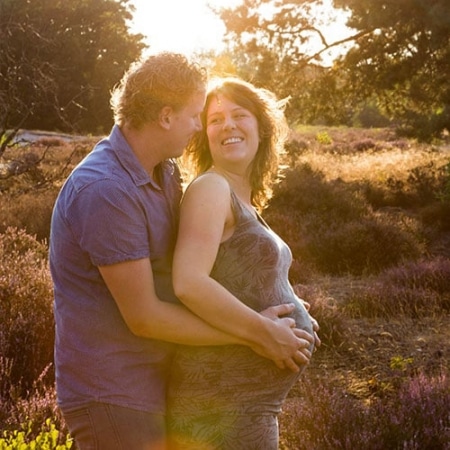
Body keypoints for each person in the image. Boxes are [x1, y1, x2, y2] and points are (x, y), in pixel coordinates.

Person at [49, 53, 314, 450]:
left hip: (159, 380)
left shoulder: (164, 172)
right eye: (197, 116)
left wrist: (289, 314)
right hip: (115, 393)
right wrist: (256, 334)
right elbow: (145, 317)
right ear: (166, 116)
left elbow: (213, 262)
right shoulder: (106, 189)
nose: (198, 129)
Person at [167, 77, 320, 450]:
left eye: (239, 115)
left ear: (262, 127)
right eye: (215, 119)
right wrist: (265, 332)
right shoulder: (211, 188)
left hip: (243, 407)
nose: (228, 125)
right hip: (221, 408)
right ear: (204, 135)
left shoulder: (239, 196)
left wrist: (296, 312)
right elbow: (188, 282)